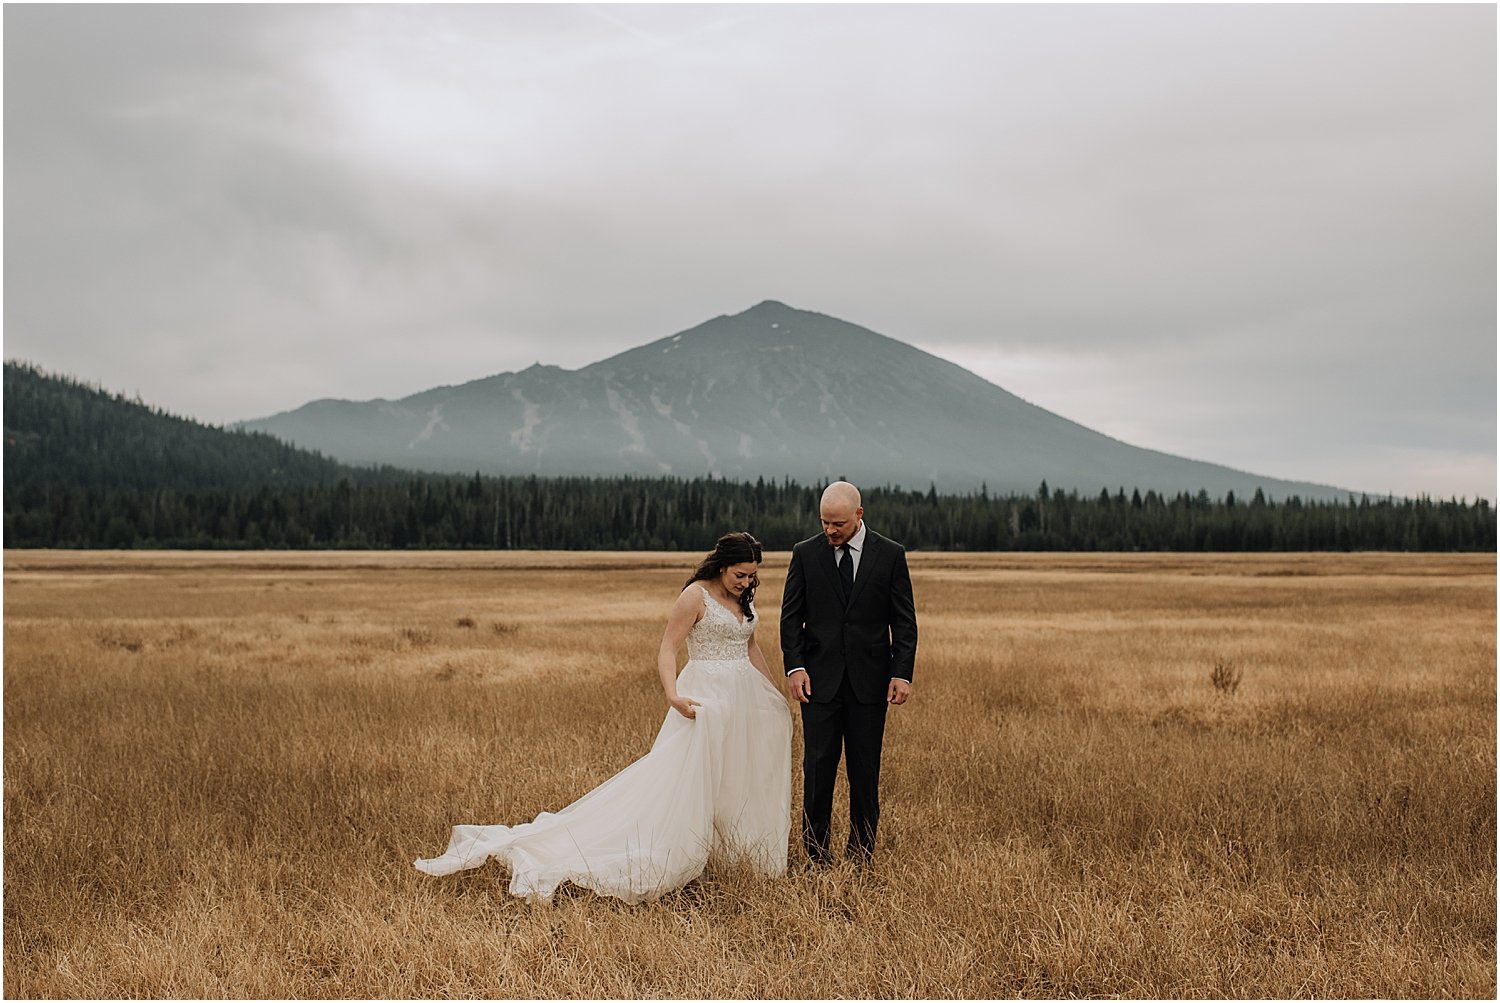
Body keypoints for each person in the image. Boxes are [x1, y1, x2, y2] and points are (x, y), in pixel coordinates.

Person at [414, 532, 792, 903]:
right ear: (722, 565)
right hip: (704, 698)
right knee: (691, 777)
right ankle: (681, 850)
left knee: (737, 775)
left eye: (751, 575)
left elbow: (750, 645)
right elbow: (667, 647)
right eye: (740, 574)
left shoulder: (745, 599)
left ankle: (730, 854)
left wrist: (771, 691)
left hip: (742, 699)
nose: (746, 582)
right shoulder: (695, 596)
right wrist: (673, 695)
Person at [781, 481, 917, 865]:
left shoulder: (890, 555)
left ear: (859, 515)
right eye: (824, 522)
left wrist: (901, 673)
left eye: (837, 523)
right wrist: (796, 666)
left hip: (869, 684)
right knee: (817, 771)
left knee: (864, 773)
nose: (829, 531)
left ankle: (861, 857)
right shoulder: (805, 554)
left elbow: (904, 622)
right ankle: (816, 856)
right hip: (817, 684)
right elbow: (791, 618)